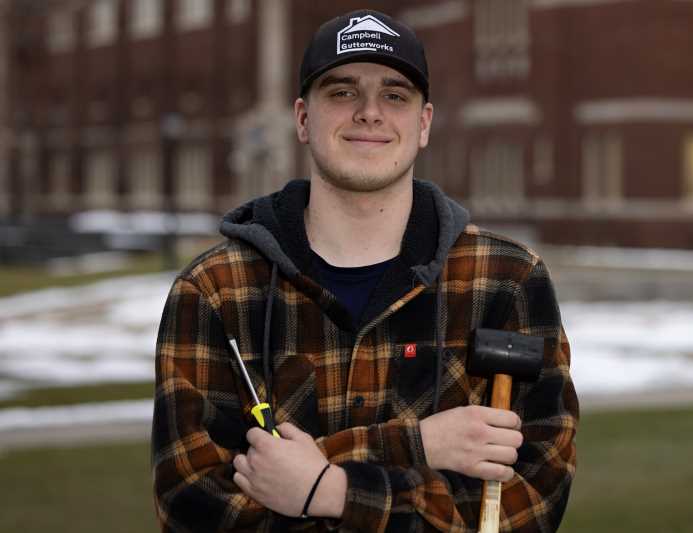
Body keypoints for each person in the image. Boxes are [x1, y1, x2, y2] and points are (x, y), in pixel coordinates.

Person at [152, 8, 578, 532]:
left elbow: (533, 503)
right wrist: (416, 445)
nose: (369, 113)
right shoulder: (218, 290)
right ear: (304, 119)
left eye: (394, 95)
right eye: (343, 92)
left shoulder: (506, 281)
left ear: (423, 124)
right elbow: (191, 506)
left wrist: (330, 490)